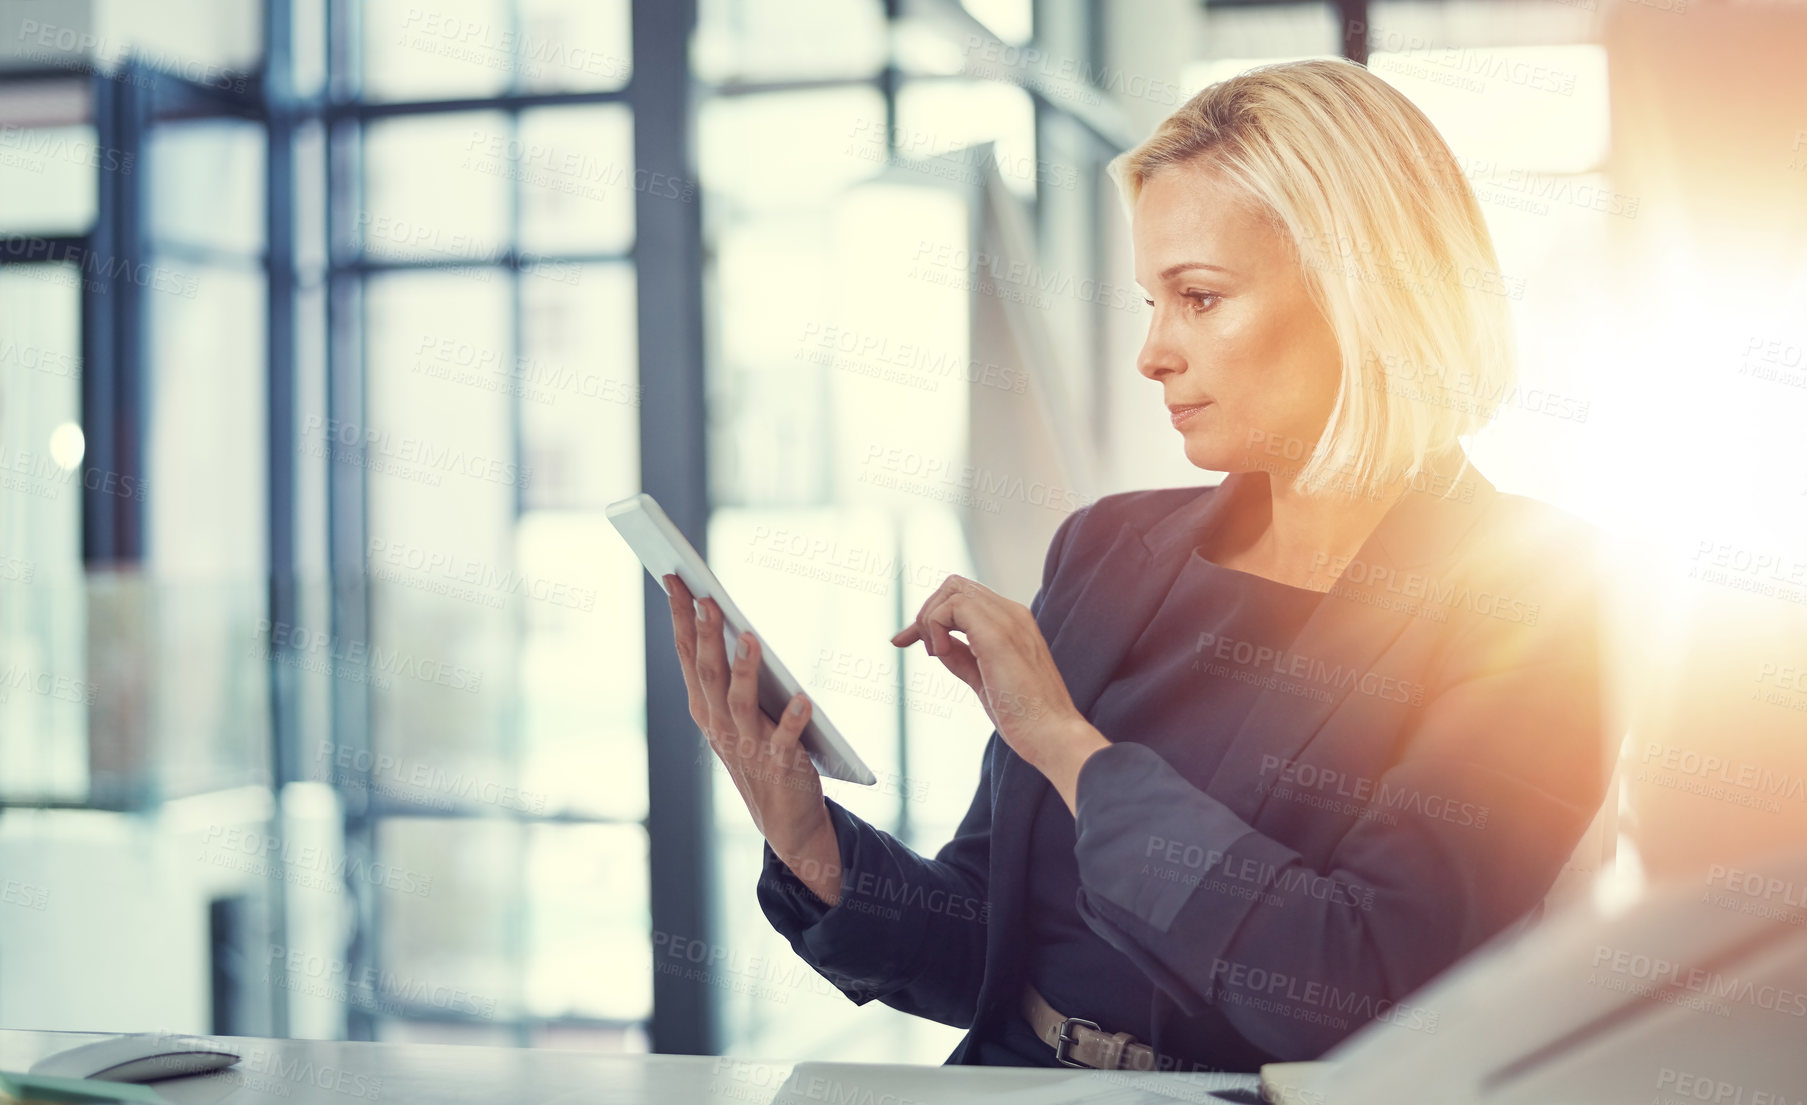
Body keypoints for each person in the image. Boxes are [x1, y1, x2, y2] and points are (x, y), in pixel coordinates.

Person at [660, 57, 1608, 1073]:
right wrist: (809, 840)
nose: (1152, 352)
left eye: (1198, 298)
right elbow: (984, 942)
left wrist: (1072, 750)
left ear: (1362, 297)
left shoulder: (1536, 596)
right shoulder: (1107, 549)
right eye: (1151, 301)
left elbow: (1357, 986)